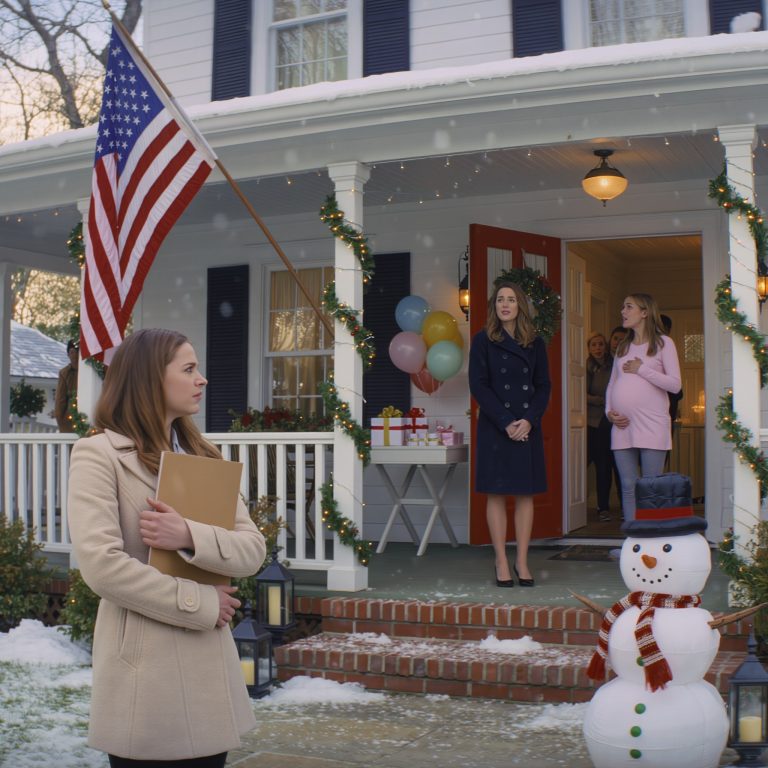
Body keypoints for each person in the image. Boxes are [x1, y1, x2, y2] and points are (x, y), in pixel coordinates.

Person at [68, 329, 266, 767]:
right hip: (147, 671)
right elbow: (102, 567)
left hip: (208, 668)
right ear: (150, 378)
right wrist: (202, 602)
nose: (202, 379)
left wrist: (189, 535)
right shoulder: (97, 455)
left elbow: (252, 550)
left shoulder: (202, 454)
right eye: (189, 369)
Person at [469, 282, 551, 588]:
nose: (505, 304)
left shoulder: (535, 342)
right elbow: (478, 385)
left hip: (527, 426)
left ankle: (522, 560)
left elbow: (543, 385)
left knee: (524, 494)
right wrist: (505, 421)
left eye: (511, 299)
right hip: (496, 426)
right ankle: (501, 559)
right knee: (496, 493)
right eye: (501, 299)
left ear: (520, 306)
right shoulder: (483, 340)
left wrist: (529, 419)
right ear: (494, 306)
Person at [606, 294, 681, 522]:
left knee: (651, 487)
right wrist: (609, 413)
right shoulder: (623, 346)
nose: (623, 311)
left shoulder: (663, 343)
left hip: (652, 424)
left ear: (645, 312)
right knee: (628, 485)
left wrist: (642, 369)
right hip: (622, 425)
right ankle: (633, 538)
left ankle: (651, 539)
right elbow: (612, 384)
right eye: (623, 307)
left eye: (629, 307)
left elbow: (675, 385)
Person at [586, 333, 613, 522]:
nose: (598, 348)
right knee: (584, 463)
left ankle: (604, 507)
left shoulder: (613, 365)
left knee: (605, 466)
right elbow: (581, 393)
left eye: (601, 344)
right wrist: (601, 400)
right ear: (589, 348)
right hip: (589, 422)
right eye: (594, 345)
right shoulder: (585, 367)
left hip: (608, 422)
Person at [54, 339, 79, 432]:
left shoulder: (90, 372)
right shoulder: (64, 373)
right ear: (68, 354)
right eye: (72, 352)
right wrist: (60, 419)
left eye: (77, 352)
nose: (75, 355)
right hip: (69, 421)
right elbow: (60, 400)